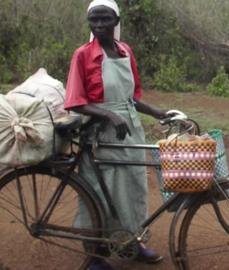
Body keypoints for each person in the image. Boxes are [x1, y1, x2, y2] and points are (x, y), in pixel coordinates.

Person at [64, 0, 171, 269]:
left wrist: (159, 113)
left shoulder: (125, 51)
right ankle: (95, 254)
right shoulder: (83, 55)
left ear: (116, 21)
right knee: (102, 191)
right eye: (94, 20)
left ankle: (131, 244)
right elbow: (75, 101)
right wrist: (109, 115)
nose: (99, 25)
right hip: (100, 134)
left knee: (133, 188)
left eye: (105, 19)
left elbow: (132, 99)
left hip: (129, 129)